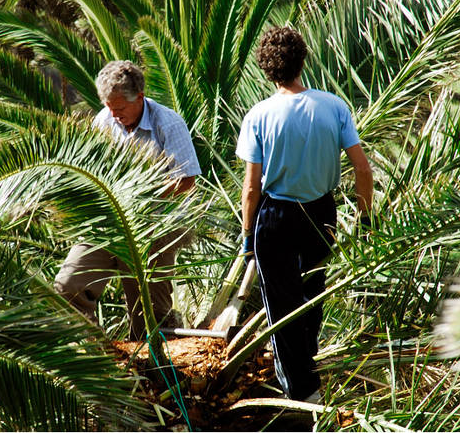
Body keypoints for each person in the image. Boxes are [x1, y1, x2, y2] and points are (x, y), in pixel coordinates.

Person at [236, 26, 374, 402]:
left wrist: (247, 235)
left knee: (281, 306)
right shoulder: (333, 106)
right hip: (321, 213)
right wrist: (366, 219)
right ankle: (308, 373)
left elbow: (251, 187)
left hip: (276, 216)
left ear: (267, 70)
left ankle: (299, 392)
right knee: (313, 294)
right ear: (302, 61)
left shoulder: (259, 115)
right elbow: (363, 169)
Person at [54, 60, 202, 340]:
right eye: (109, 106)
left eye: (119, 108)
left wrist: (138, 195)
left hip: (155, 227)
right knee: (67, 286)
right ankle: (103, 359)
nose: (114, 114)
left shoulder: (167, 123)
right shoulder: (104, 121)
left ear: (141, 98)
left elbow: (186, 181)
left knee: (148, 317)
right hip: (109, 222)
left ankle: (153, 376)